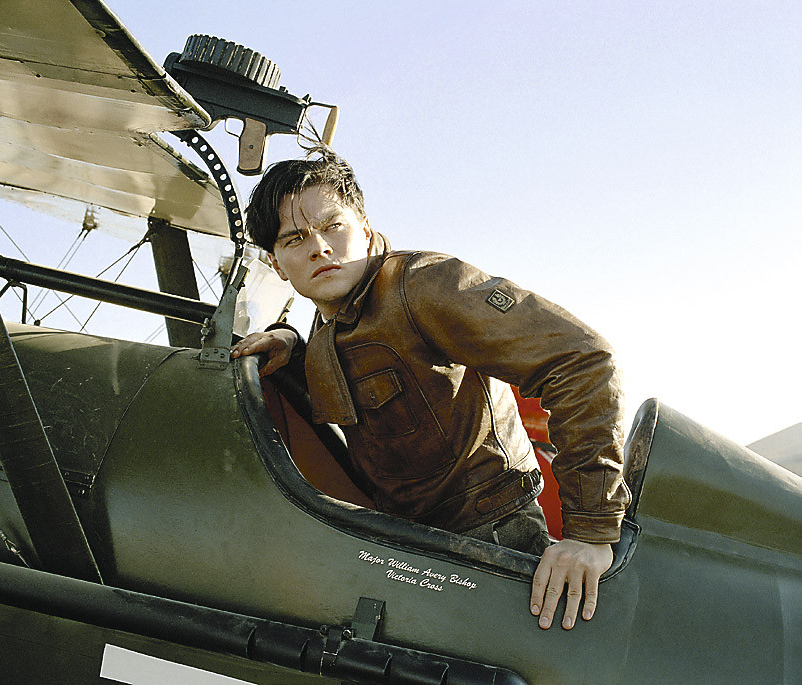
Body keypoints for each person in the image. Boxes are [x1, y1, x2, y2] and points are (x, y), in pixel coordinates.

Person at [231, 148, 630, 631]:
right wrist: (291, 344)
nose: (320, 248)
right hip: (417, 550)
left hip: (492, 541)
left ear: (365, 227)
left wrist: (590, 533)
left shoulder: (423, 284)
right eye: (295, 239)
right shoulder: (329, 322)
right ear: (276, 265)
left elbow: (583, 359)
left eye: (333, 226)